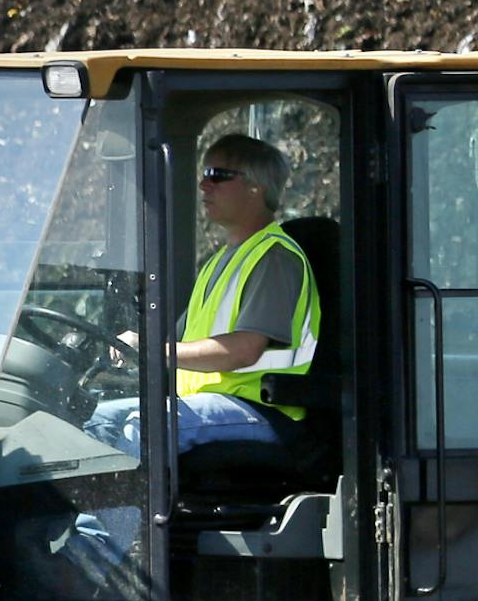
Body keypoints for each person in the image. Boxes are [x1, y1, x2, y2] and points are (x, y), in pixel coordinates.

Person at [85, 132, 320, 460]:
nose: (204, 186)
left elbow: (244, 350)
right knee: (94, 420)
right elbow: (176, 344)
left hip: (263, 411)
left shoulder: (275, 257)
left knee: (130, 430)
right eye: (204, 175)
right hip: (212, 404)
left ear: (257, 187)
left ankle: (115, 513)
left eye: (218, 176)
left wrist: (153, 350)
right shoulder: (220, 261)